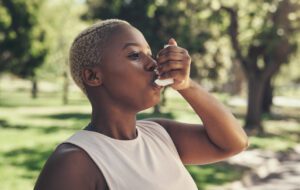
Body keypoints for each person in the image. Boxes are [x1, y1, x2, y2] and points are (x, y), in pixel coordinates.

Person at [34, 19, 248, 190]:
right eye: (135, 55)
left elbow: (234, 143)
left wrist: (186, 85)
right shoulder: (74, 163)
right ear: (93, 76)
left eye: (149, 54)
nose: (153, 64)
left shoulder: (160, 134)